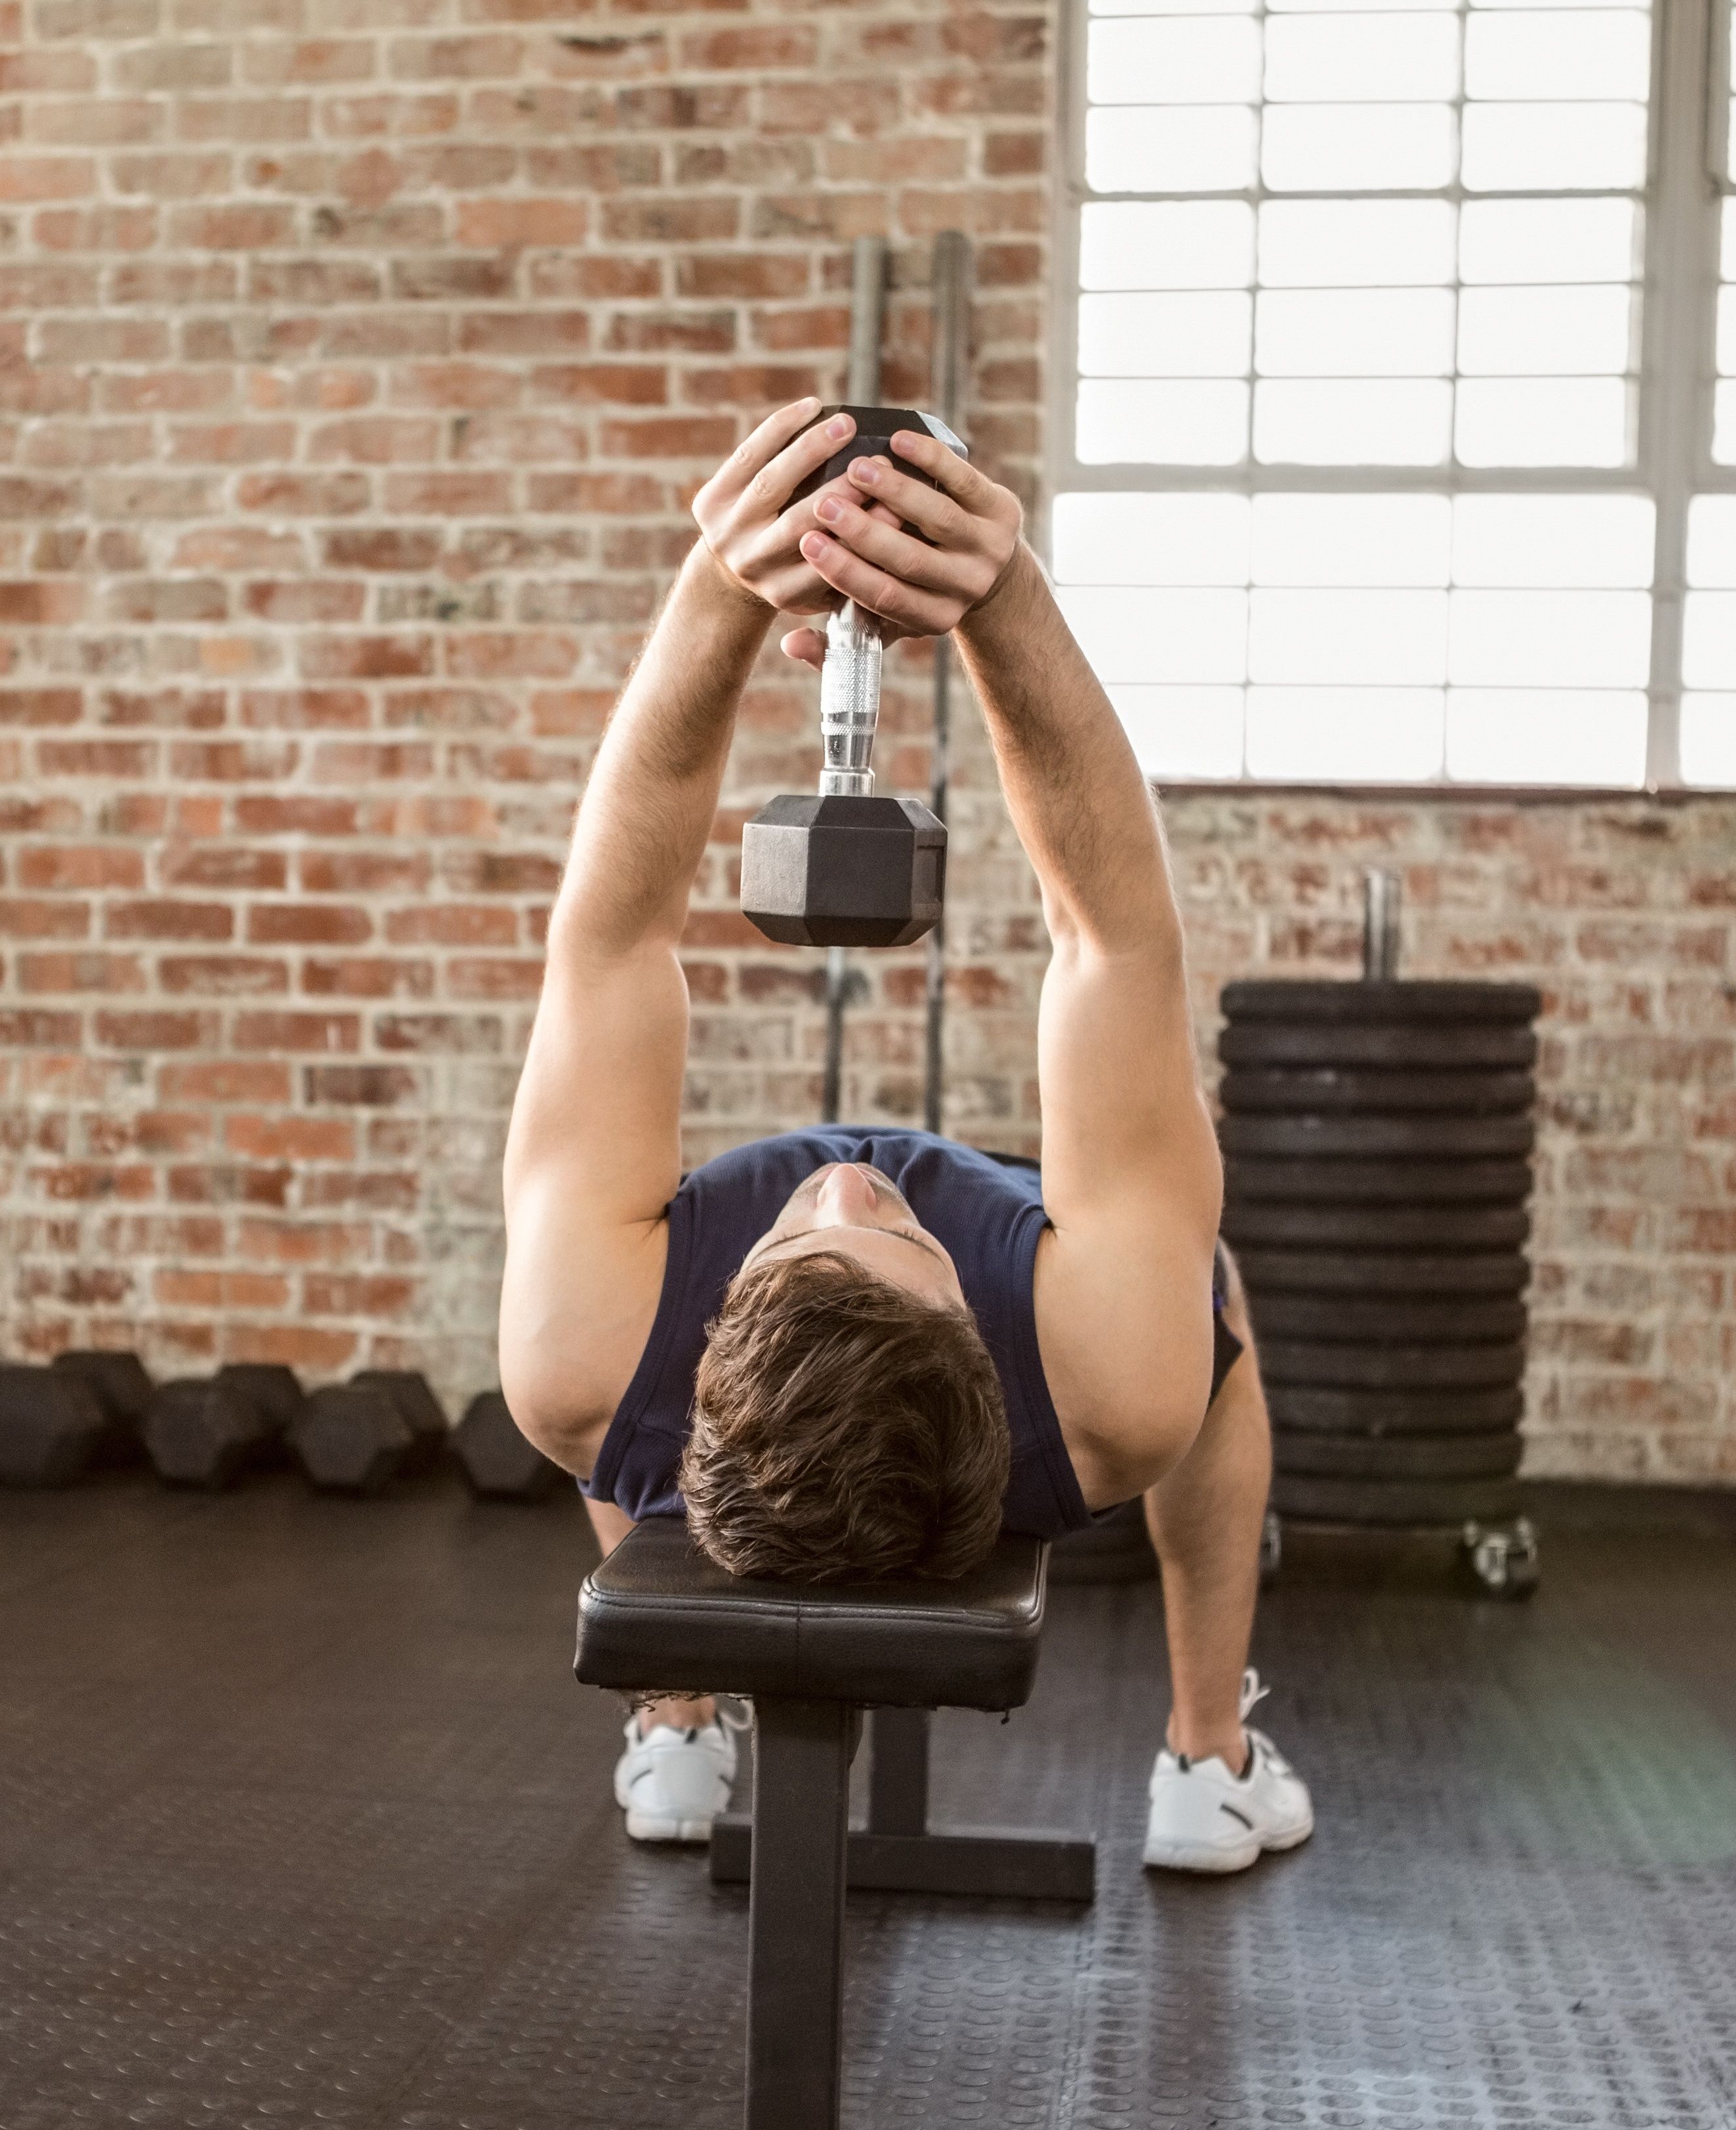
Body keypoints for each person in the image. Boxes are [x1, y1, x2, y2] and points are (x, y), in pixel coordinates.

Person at [497, 400, 1306, 1879]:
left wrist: (719, 588)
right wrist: (1004, 600)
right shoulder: (1102, 1384)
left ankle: (678, 1723)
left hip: (649, 1351)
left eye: (804, 1242)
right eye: (887, 1239)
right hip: (1045, 1359)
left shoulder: (608, 1348)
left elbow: (611, 944)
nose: (841, 1185)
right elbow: (1113, 942)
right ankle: (1211, 1759)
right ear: (979, 1343)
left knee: (576, 1356)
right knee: (1211, 1302)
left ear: (710, 1361)